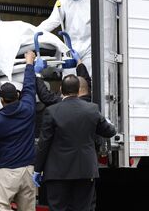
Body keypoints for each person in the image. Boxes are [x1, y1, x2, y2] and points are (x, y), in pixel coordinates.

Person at [34, 75, 116, 211]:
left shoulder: (52, 111)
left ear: (61, 89)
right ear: (78, 90)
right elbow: (109, 131)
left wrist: (38, 169)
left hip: (57, 173)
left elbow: (44, 143)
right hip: (85, 170)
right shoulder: (92, 109)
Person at [0, 51, 37, 211]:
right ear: (18, 95)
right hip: (28, 171)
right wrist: (29, 63)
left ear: (1, 100)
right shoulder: (28, 108)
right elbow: (30, 86)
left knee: (0, 206)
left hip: (8, 172)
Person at [37, 0, 92, 74]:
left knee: (87, 79)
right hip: (71, 48)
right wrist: (35, 32)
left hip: (89, 47)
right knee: (69, 81)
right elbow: (52, 21)